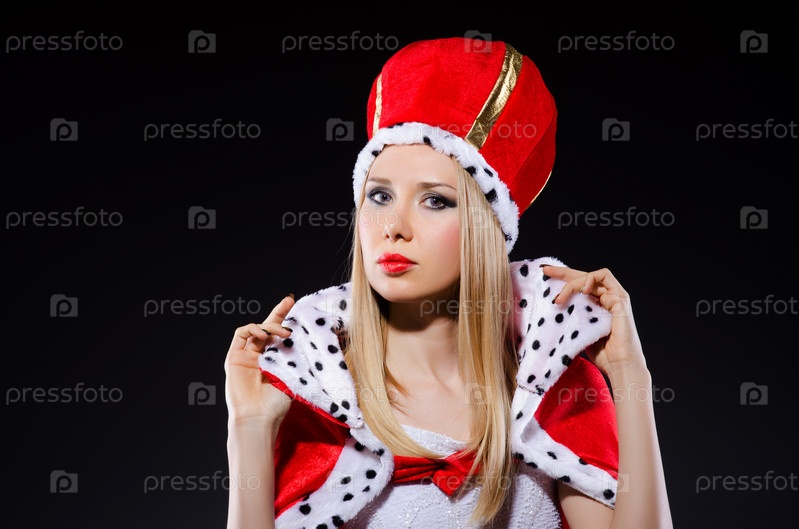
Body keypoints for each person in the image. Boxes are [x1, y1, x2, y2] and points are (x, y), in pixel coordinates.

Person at [224, 36, 673, 529]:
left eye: (435, 200)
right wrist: (248, 426)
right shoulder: (317, 400)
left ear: (485, 228)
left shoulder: (550, 389)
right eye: (379, 195)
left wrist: (631, 376)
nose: (394, 226)